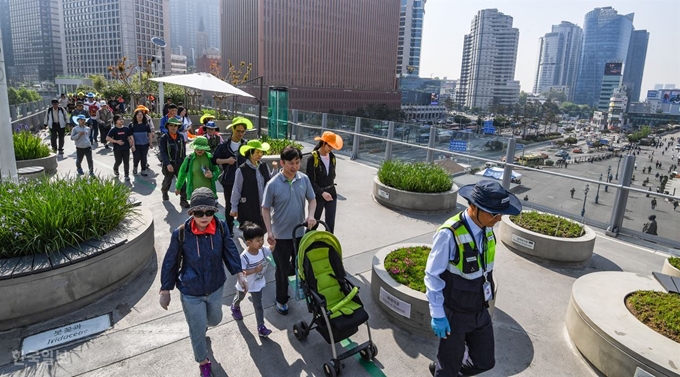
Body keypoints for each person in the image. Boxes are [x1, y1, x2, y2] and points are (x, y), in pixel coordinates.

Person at [425, 180, 522, 377]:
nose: (499, 219)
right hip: (456, 314)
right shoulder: (449, 234)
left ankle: (442, 369)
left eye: (500, 213)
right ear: (474, 207)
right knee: (447, 370)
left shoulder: (487, 228)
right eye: (494, 214)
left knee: (484, 362)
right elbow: (432, 275)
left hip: (480, 308)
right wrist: (437, 314)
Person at [159, 187, 247, 377]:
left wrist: (239, 273)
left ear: (214, 211)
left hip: (215, 286)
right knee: (197, 329)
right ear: (192, 212)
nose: (204, 216)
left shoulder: (221, 227)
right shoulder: (181, 233)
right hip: (191, 291)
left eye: (208, 212)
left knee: (215, 319)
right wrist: (165, 289)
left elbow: (230, 250)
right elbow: (170, 261)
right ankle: (203, 361)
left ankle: (202, 323)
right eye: (199, 212)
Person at [262, 146, 317, 315]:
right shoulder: (273, 184)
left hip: (300, 233)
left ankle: (310, 296)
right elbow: (265, 208)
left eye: (297, 162)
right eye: (290, 163)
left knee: (305, 266)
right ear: (282, 163)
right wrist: (269, 232)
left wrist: (311, 215)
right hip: (281, 236)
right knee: (282, 270)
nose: (294, 166)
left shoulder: (304, 179)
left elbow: (313, 199)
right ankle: (281, 299)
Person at [230, 221, 273, 338]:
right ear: (248, 242)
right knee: (240, 297)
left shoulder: (262, 250)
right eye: (258, 240)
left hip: (257, 284)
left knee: (258, 306)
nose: (261, 242)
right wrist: (254, 270)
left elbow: (270, 249)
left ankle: (261, 327)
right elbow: (242, 272)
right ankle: (235, 306)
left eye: (261, 239)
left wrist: (273, 243)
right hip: (245, 284)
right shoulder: (244, 257)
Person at [212, 116, 252, 234]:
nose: (240, 134)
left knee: (244, 205)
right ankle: (229, 228)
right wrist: (226, 161)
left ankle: (244, 226)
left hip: (245, 181)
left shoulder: (247, 146)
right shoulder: (223, 146)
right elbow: (214, 160)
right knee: (229, 206)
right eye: (238, 131)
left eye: (242, 131)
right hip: (229, 181)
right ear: (233, 130)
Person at [305, 131, 343, 233]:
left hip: (331, 193)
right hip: (318, 195)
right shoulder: (312, 158)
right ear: (323, 143)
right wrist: (321, 192)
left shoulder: (332, 157)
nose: (331, 149)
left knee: (330, 224)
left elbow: (332, 175)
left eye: (333, 147)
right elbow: (310, 180)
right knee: (314, 223)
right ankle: (305, 244)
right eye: (330, 146)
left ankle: (329, 246)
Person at [230, 140, 272, 231]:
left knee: (262, 231)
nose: (260, 154)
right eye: (257, 152)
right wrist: (234, 207)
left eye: (261, 152)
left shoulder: (264, 166)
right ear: (249, 153)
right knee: (251, 234)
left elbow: (270, 182)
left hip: (263, 207)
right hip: (249, 208)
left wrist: (276, 170)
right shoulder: (242, 170)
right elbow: (236, 190)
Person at [176, 136, 221, 201]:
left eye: (202, 148)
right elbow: (182, 173)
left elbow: (217, 171)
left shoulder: (210, 157)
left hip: (209, 193)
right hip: (194, 194)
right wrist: (178, 187)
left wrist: (212, 175)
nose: (199, 150)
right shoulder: (189, 159)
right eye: (198, 148)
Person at [159, 118, 189, 207]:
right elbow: (163, 152)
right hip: (169, 164)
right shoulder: (164, 138)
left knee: (183, 182)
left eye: (175, 125)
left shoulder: (180, 136)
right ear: (167, 126)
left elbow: (183, 151)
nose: (173, 127)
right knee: (167, 182)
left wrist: (185, 163)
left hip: (180, 163)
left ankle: (183, 200)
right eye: (171, 125)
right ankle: (164, 192)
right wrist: (167, 164)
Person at [106, 115, 135, 181]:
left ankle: (126, 175)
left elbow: (131, 137)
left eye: (122, 119)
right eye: (119, 119)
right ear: (116, 121)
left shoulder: (126, 129)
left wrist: (132, 145)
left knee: (126, 161)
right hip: (117, 149)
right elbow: (107, 138)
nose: (121, 120)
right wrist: (116, 141)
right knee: (118, 161)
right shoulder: (113, 129)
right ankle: (115, 168)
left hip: (126, 148)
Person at [129, 109, 153, 176]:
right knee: (136, 157)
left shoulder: (146, 124)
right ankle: (135, 167)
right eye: (138, 115)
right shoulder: (132, 125)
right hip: (136, 145)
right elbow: (130, 136)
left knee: (144, 157)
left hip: (145, 144)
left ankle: (143, 170)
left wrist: (150, 142)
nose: (140, 116)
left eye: (141, 115)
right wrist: (132, 145)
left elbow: (149, 134)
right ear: (135, 116)